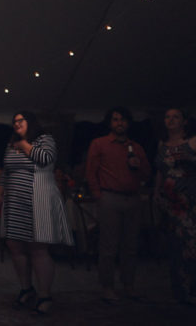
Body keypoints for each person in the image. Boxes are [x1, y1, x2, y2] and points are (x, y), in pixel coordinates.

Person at [0, 111, 73, 315]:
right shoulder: (11, 143)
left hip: (36, 200)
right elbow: (7, 170)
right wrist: (1, 189)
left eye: (20, 120)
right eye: (14, 121)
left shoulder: (44, 139)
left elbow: (45, 158)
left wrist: (24, 145)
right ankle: (26, 288)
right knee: (15, 246)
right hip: (14, 203)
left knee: (37, 247)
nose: (16, 124)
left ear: (30, 122)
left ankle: (45, 294)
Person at [85, 106, 151, 303]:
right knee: (108, 246)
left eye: (122, 119)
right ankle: (107, 287)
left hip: (133, 198)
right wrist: (98, 195)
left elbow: (147, 174)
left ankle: (129, 285)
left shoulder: (136, 147)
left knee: (130, 246)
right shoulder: (99, 144)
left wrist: (139, 167)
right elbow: (91, 171)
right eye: (115, 119)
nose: (119, 123)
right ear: (110, 123)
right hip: (109, 198)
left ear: (128, 123)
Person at [154, 108, 196, 305]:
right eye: (167, 116)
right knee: (175, 246)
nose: (171, 120)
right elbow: (160, 172)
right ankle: (180, 291)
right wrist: (156, 193)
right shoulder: (162, 145)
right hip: (169, 201)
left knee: (191, 245)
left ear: (184, 121)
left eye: (175, 117)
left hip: (189, 200)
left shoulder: (193, 142)